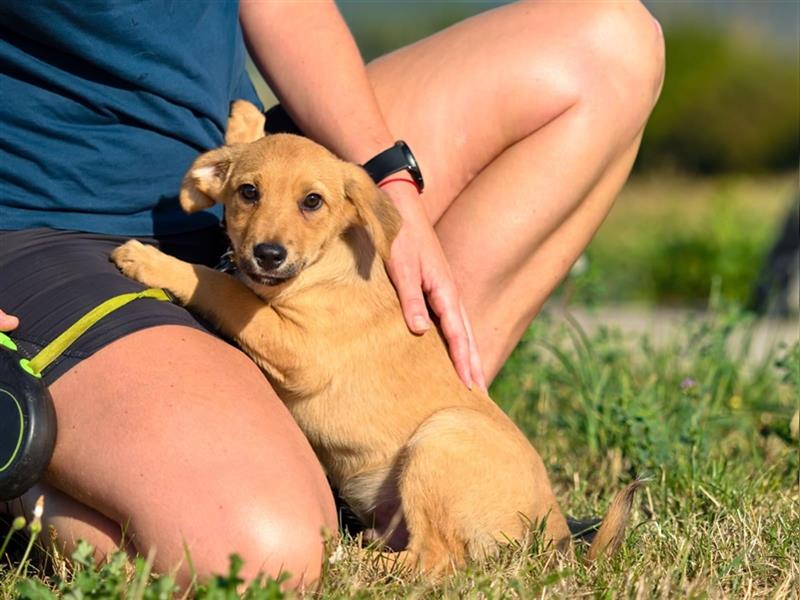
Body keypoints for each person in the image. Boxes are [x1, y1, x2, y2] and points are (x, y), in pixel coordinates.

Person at [0, 0, 664, 589]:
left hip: (250, 174)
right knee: (261, 559)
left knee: (610, 46)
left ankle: (378, 464)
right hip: (50, 225)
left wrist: (387, 184)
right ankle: (21, 458)